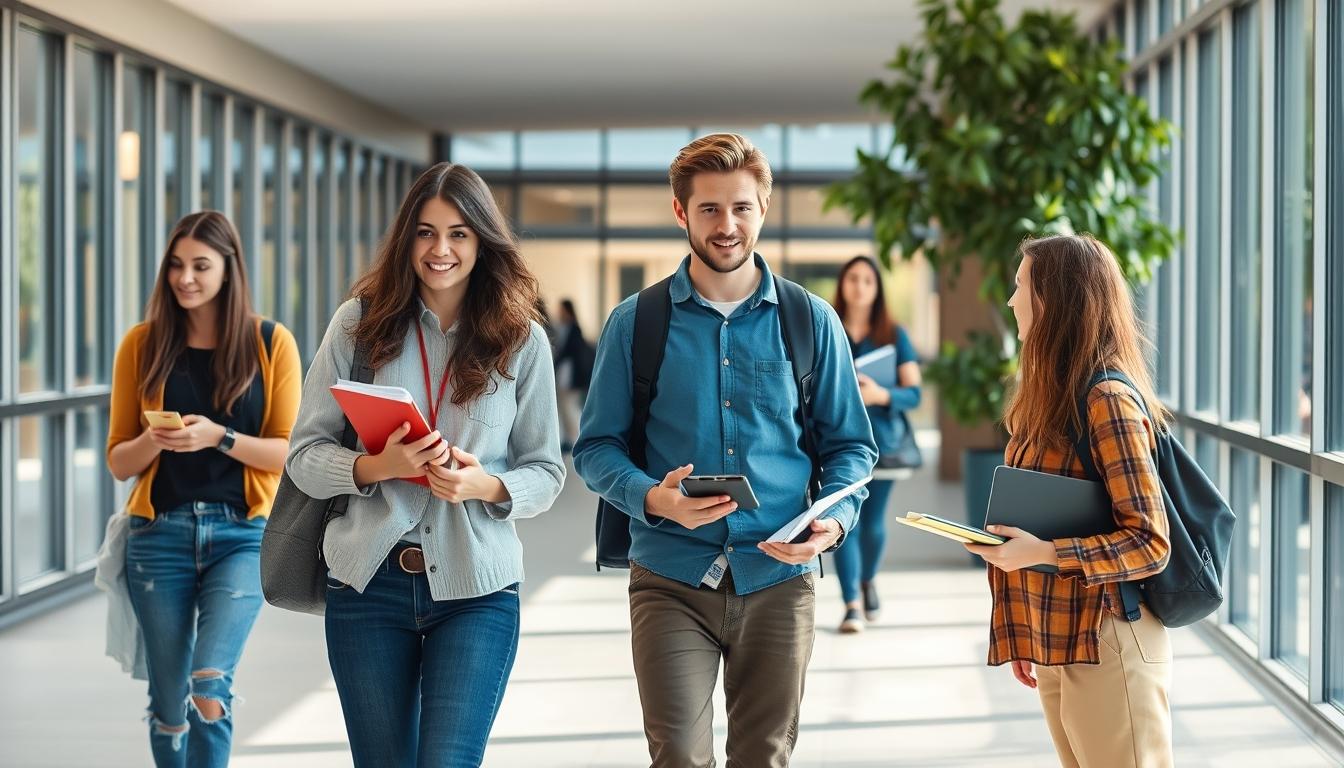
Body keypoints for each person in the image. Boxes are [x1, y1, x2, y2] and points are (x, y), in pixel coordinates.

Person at [574, 133, 877, 767]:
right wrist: (650, 498)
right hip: (671, 577)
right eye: (709, 208)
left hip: (779, 577)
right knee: (679, 756)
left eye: (741, 207)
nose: (727, 225)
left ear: (763, 208)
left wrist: (832, 521)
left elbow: (851, 448)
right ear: (680, 212)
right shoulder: (636, 322)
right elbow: (596, 448)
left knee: (763, 757)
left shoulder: (811, 320)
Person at [285, 162, 564, 768]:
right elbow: (303, 457)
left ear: (483, 241)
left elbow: (547, 472)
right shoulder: (358, 325)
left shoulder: (522, 339)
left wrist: (484, 483)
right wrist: (374, 467)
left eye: (459, 233)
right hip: (369, 586)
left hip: (478, 589)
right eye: (426, 232)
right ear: (406, 237)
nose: (441, 249)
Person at [965, 234, 1173, 768]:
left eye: (1021, 287)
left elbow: (1150, 543)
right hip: (1062, 638)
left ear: (1054, 300)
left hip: (1110, 641)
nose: (1012, 301)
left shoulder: (1106, 400)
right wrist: (1031, 634)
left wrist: (1042, 553)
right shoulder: (1049, 398)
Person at [106, 211, 302, 768]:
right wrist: (156, 439)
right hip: (157, 538)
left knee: (209, 684)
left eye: (200, 265)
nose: (185, 278)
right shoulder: (142, 346)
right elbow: (120, 460)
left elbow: (290, 451)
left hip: (241, 536)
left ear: (228, 268)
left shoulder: (271, 343)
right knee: (169, 703)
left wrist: (220, 437)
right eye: (176, 265)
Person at [830, 255, 922, 633]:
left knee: (871, 520)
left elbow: (913, 394)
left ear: (877, 288)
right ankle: (851, 603)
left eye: (868, 280)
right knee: (841, 521)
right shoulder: (827, 327)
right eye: (853, 278)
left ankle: (867, 581)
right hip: (835, 440)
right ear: (843, 284)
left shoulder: (894, 335)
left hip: (882, 443)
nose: (859, 286)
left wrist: (881, 395)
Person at [552, 297, 593, 451]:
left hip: (570, 376)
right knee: (565, 407)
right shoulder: (563, 328)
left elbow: (568, 352)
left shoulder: (574, 329)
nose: (559, 312)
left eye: (561, 309)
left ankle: (577, 439)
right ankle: (570, 439)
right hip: (565, 375)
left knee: (570, 406)